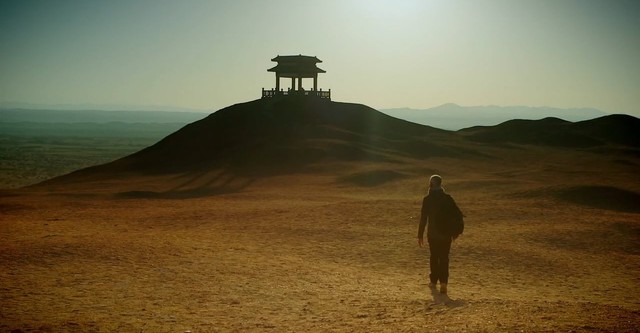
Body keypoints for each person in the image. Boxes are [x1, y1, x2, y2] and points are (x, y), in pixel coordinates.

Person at [417, 175, 464, 294]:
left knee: (434, 257)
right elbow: (457, 214)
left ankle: (433, 281)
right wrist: (455, 231)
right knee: (444, 258)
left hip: (433, 234)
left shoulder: (427, 199)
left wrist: (420, 234)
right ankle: (444, 283)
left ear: (432, 184)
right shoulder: (447, 198)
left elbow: (423, 218)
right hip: (446, 234)